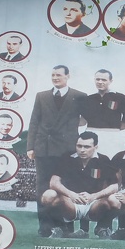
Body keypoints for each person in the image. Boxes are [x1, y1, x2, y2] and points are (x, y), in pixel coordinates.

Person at [38, 132, 118, 239]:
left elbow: (115, 186)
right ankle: (60, 228)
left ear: (95, 147)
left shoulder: (103, 160)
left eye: (87, 147)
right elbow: (54, 182)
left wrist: (94, 196)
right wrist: (71, 194)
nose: (82, 150)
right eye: (79, 146)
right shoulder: (67, 158)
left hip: (94, 205)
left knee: (114, 200)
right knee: (48, 195)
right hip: (71, 203)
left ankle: (102, 227)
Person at [27, 65, 87, 195]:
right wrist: (30, 147)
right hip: (44, 147)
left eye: (58, 75)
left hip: (67, 148)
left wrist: (71, 126)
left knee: (66, 183)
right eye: (53, 75)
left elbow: (87, 119)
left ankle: (62, 213)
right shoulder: (41, 96)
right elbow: (34, 122)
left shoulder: (79, 96)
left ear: (67, 76)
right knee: (42, 183)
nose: (55, 78)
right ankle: (43, 216)